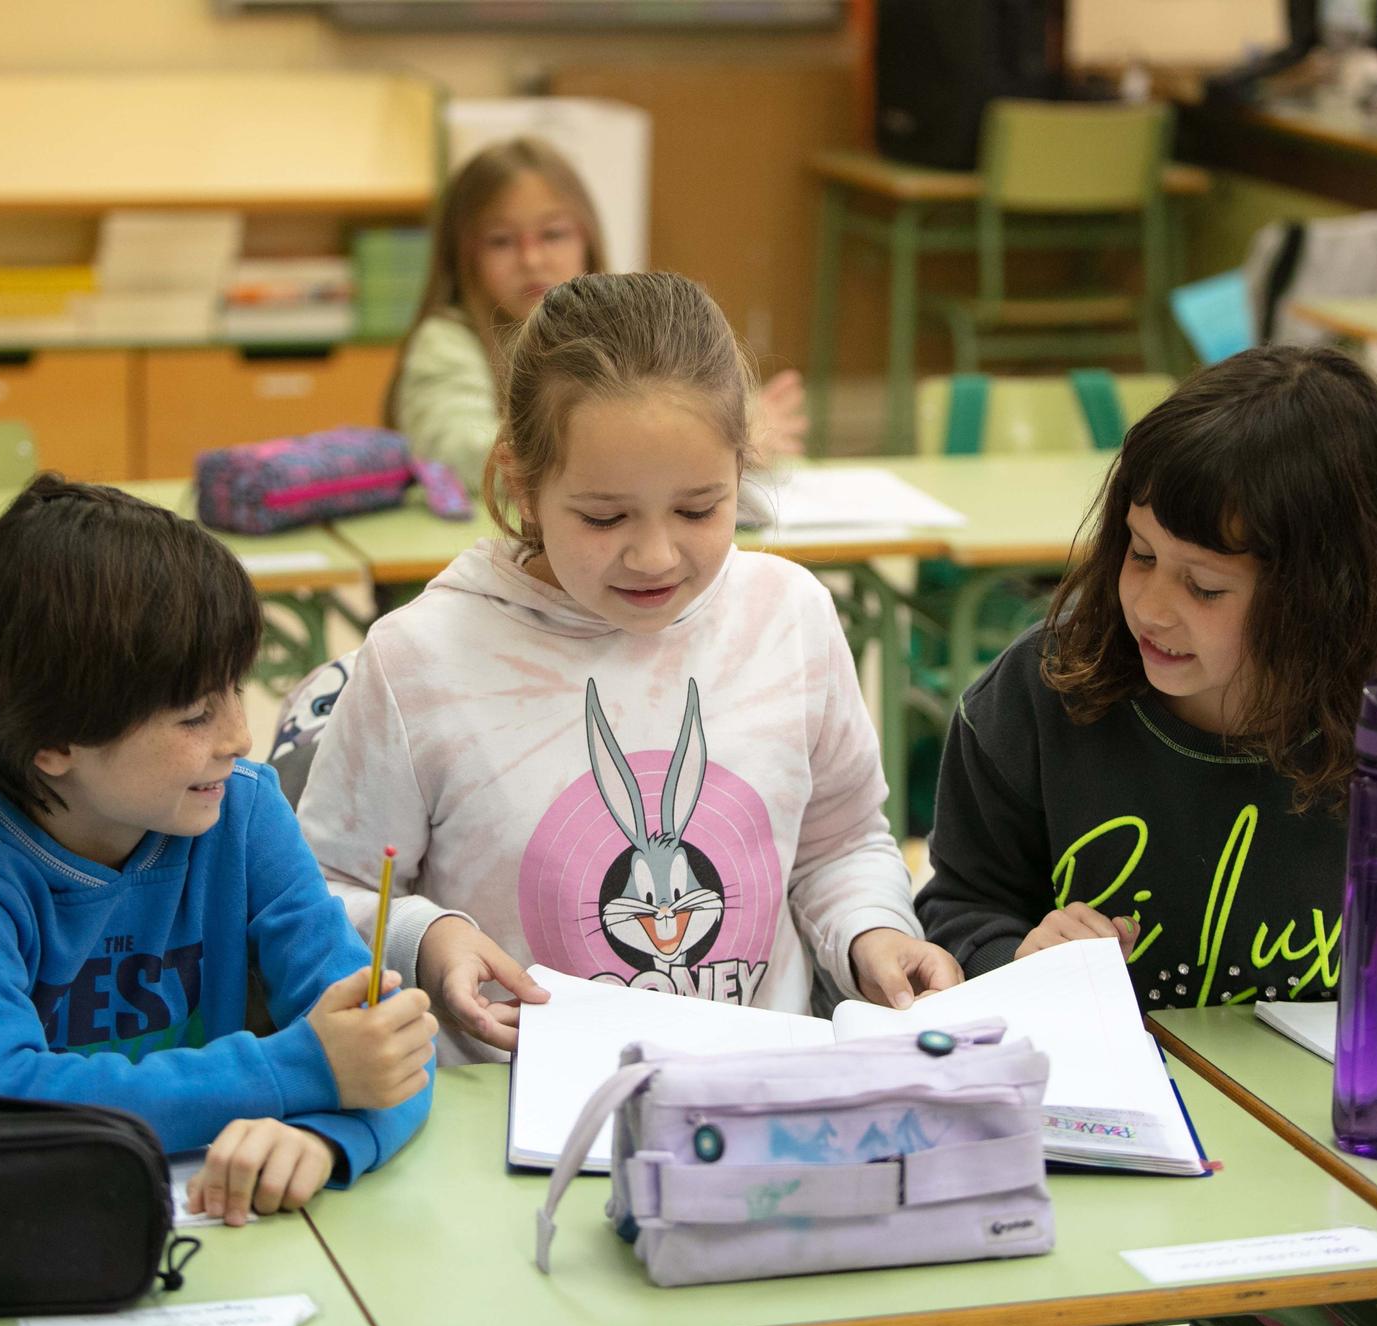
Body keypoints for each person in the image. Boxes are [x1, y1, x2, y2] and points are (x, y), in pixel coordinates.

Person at [918, 346, 1377, 1075]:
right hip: (1119, 1129)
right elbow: (959, 904)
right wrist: (1015, 960)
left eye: (1205, 587)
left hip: (1346, 1153)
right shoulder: (1041, 692)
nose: (1148, 605)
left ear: (1323, 597)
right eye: (1139, 553)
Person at [302, 271, 958, 1065]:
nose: (654, 555)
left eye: (698, 508)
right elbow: (319, 896)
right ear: (522, 483)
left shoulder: (790, 615)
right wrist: (425, 937)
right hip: (512, 1122)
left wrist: (874, 933)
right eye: (604, 516)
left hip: (757, 1094)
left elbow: (840, 843)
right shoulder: (421, 660)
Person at [0, 477, 436, 1224]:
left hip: (192, 1213)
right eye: (194, 715)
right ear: (54, 741)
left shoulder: (242, 810)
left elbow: (389, 1044)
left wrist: (329, 1136)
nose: (240, 736)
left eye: (235, 691)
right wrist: (300, 1069)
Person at [384, 137, 806, 494]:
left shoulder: (624, 329)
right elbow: (458, 454)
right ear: (462, 254)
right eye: (501, 241)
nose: (532, 259)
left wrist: (737, 434)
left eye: (553, 234)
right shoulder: (446, 339)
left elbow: (686, 416)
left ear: (587, 238)